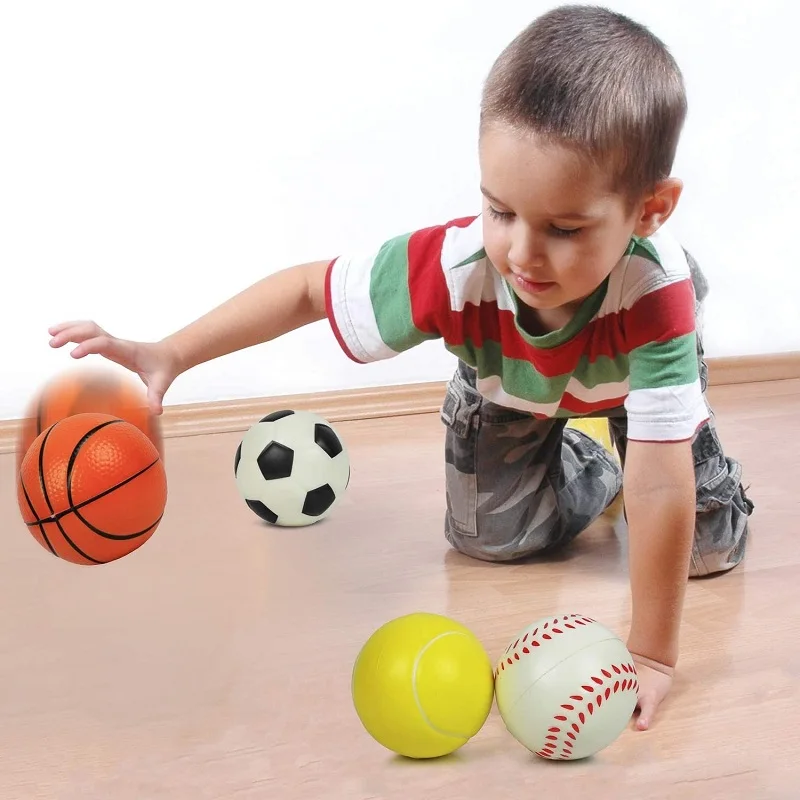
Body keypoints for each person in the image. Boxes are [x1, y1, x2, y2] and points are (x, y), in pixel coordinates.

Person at [47, 4, 754, 730]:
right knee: (494, 543)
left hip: (627, 372)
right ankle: (587, 460)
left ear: (650, 211)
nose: (523, 254)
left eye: (564, 229)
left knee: (702, 549)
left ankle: (663, 432)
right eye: (501, 211)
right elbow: (305, 290)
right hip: (507, 382)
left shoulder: (654, 293)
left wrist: (653, 654)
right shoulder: (458, 268)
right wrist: (172, 352)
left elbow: (663, 485)